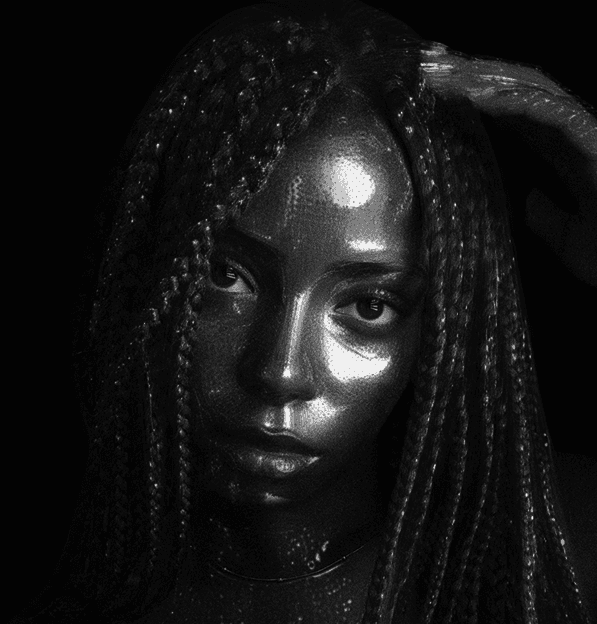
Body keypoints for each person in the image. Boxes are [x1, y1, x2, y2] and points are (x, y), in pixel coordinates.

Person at [12, 1, 596, 622]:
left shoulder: (555, 547)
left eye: (369, 306)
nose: (280, 373)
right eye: (225, 276)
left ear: (441, 328)